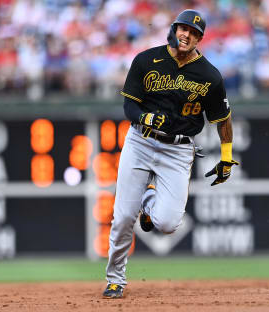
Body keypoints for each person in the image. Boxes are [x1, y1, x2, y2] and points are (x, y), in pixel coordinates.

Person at [102, 9, 240, 299]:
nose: (187, 35)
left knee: (167, 224)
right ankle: (115, 279)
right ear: (174, 29)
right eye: (183, 28)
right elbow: (130, 107)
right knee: (123, 216)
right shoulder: (146, 60)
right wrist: (147, 119)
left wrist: (226, 156)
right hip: (140, 141)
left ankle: (149, 200)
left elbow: (223, 118)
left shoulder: (209, 75)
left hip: (178, 149)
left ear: (200, 38)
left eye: (194, 32)